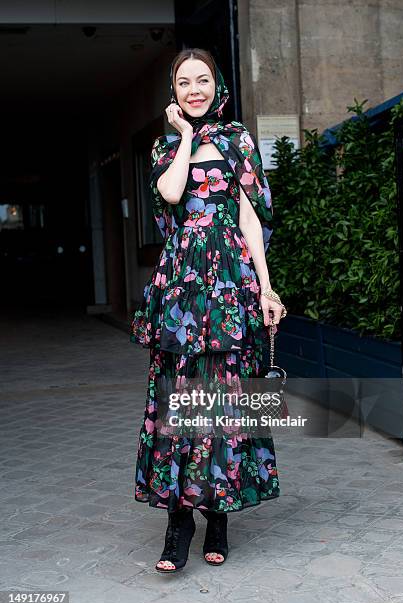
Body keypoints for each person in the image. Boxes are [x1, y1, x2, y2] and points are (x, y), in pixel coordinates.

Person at [130, 48, 287, 573]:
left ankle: (217, 515)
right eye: (183, 82)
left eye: (203, 80)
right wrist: (189, 139)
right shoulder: (165, 145)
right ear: (172, 92)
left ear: (216, 85)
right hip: (180, 291)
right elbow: (173, 192)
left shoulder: (238, 139)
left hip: (228, 288)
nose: (194, 90)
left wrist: (266, 288)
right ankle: (179, 523)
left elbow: (249, 221)